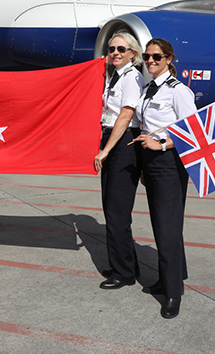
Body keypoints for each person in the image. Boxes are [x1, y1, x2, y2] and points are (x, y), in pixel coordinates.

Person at [133, 38, 197, 319]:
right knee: (162, 225)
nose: (150, 61)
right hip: (152, 163)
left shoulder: (178, 91)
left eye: (156, 57)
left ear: (169, 59)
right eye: (147, 56)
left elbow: (194, 131)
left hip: (169, 163)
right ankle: (171, 276)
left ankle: (173, 293)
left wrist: (162, 145)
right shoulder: (149, 89)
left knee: (167, 227)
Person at [94, 31, 145, 290]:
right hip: (112, 138)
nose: (115, 52)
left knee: (117, 212)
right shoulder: (115, 75)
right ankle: (124, 264)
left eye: (121, 49)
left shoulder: (133, 77)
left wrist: (106, 150)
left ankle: (124, 273)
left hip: (123, 143)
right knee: (111, 208)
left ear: (132, 54)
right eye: (112, 48)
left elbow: (126, 115)